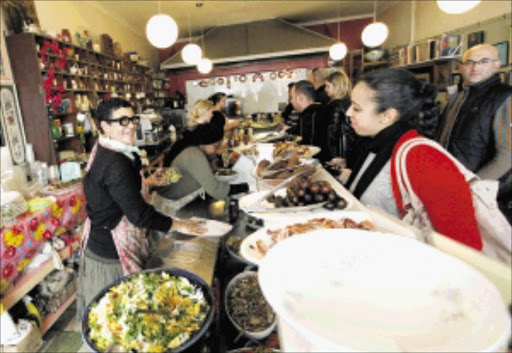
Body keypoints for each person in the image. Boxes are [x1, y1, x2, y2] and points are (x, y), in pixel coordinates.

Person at [78, 98, 206, 318]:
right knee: (120, 318)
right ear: (105, 126)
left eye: (132, 119)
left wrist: (146, 183)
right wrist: (180, 225)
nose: (131, 125)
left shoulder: (106, 148)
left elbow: (113, 191)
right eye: (122, 121)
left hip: (100, 240)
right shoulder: (116, 162)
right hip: (111, 254)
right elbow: (139, 215)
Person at [345, 68, 482, 250]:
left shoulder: (424, 158)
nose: (348, 113)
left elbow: (465, 246)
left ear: (387, 116)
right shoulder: (374, 144)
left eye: (356, 108)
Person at [436, 44, 511, 223]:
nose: (475, 67)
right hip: (449, 185)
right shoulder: (460, 96)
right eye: (469, 62)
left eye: (483, 61)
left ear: (497, 65)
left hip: (481, 195)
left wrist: (472, 186)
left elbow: (507, 156)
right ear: (460, 67)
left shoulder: (506, 97)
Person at [158, 99, 248, 200]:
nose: (217, 151)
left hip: (183, 201)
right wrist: (247, 186)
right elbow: (216, 190)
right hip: (167, 206)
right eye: (216, 147)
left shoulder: (196, 149)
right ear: (204, 143)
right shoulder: (193, 155)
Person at [289, 80, 330, 162]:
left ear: (300, 97)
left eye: (292, 97)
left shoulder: (308, 115)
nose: (291, 101)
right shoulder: (324, 109)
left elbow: (305, 148)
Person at [324, 70, 355, 160]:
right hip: (349, 150)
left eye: (328, 86)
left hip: (337, 151)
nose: (325, 89)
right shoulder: (350, 102)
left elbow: (332, 133)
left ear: (337, 86)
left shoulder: (335, 105)